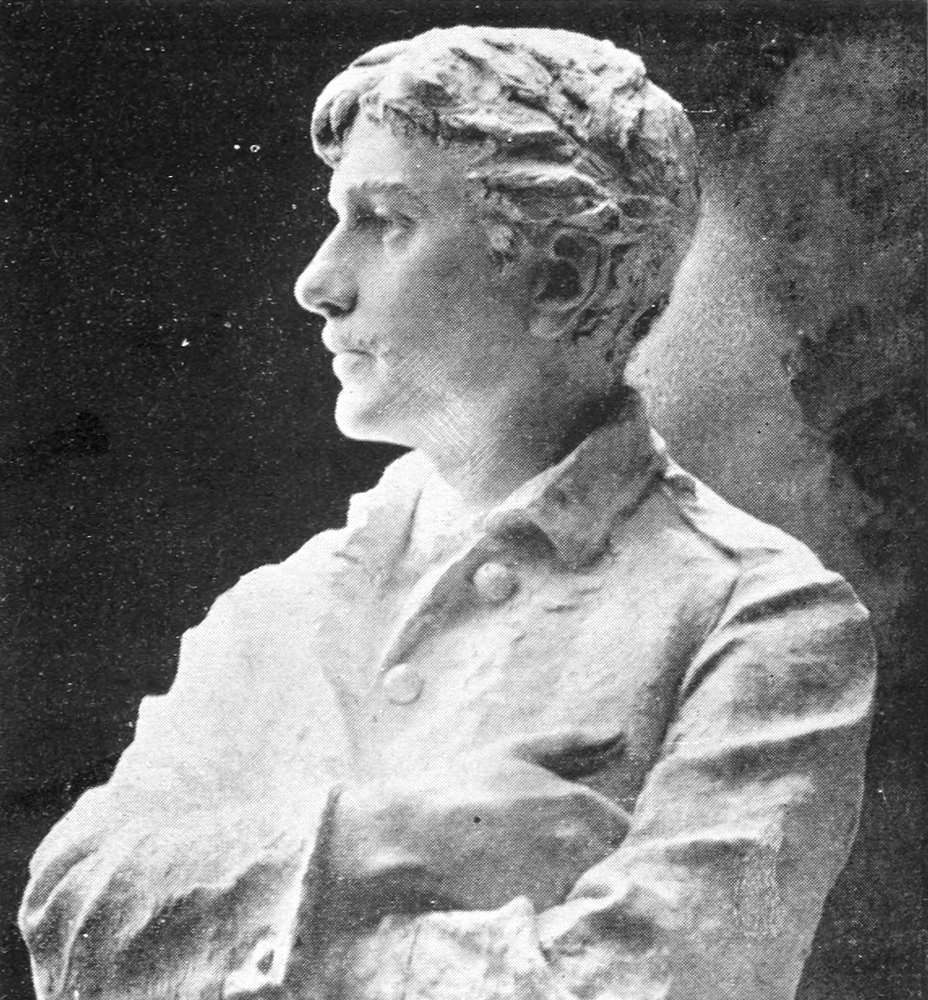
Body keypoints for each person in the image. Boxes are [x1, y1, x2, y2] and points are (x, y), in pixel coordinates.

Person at [19, 26, 876, 1000]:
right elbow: (74, 918)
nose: (317, 282)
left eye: (384, 221)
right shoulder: (277, 607)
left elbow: (641, 983)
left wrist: (235, 948)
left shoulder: (760, 615)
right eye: (337, 218)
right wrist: (391, 840)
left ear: (559, 276)